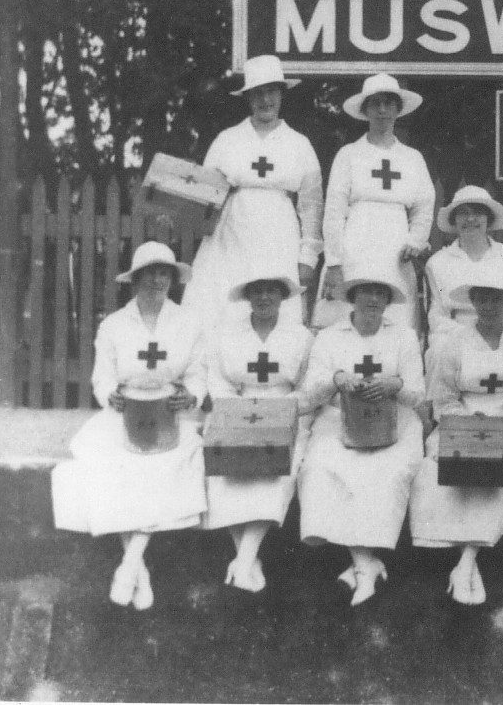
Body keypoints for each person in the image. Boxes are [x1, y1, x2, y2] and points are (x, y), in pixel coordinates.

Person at [51, 243, 206, 610]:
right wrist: (110, 396)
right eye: (149, 272)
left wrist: (192, 395)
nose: (157, 279)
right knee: (114, 466)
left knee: (174, 464)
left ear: (172, 279)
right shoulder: (114, 325)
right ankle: (139, 572)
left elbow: (200, 374)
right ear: (134, 280)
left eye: (164, 272)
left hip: (171, 413)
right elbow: (102, 378)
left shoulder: (188, 323)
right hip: (125, 415)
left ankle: (130, 564)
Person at [298, 266, 426, 606]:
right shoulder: (328, 336)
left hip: (393, 421)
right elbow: (310, 393)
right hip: (339, 420)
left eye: (381, 293)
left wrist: (395, 384)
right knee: (320, 468)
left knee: (385, 471)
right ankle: (365, 564)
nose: (373, 299)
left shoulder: (404, 335)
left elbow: (417, 392)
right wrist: (336, 378)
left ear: (388, 301)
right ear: (352, 298)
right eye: (366, 292)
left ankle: (362, 564)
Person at [410, 270, 503, 605]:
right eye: (482, 297)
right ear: (473, 302)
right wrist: (467, 420)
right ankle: (464, 556)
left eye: (496, 298)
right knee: (440, 467)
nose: (489, 304)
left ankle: (466, 561)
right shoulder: (453, 343)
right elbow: (444, 395)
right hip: (461, 420)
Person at [184, 55, 323, 331]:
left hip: (279, 241)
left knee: (276, 317)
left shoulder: (299, 144)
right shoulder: (227, 140)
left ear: (282, 95)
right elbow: (205, 196)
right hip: (231, 239)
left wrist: (308, 257)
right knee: (221, 310)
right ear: (248, 98)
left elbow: (311, 206)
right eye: (257, 93)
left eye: (271, 91)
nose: (265, 100)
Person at [202, 269, 314, 594]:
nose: (264, 297)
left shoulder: (300, 337)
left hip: (285, 413)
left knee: (278, 472)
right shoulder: (227, 334)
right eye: (258, 290)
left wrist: (280, 410)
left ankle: (244, 558)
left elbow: (308, 385)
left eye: (272, 291)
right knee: (224, 472)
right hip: (236, 412)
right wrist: (236, 409)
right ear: (248, 296)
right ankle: (247, 559)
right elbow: (217, 379)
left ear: (282, 297)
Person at [318, 73, 434, 330]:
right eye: (375, 104)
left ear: (398, 109)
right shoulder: (348, 154)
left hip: (395, 250)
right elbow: (334, 211)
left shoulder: (412, 158)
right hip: (355, 244)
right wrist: (335, 262)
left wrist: (415, 240)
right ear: (365, 109)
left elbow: (424, 206)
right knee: (346, 317)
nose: (382, 110)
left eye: (389, 103)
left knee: (396, 319)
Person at [423, 186, 503, 351]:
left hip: (501, 334)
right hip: (455, 335)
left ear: (488, 219)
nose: (470, 219)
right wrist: (470, 335)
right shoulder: (437, 262)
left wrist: (495, 334)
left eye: (477, 213)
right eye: (463, 213)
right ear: (454, 219)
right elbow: (437, 315)